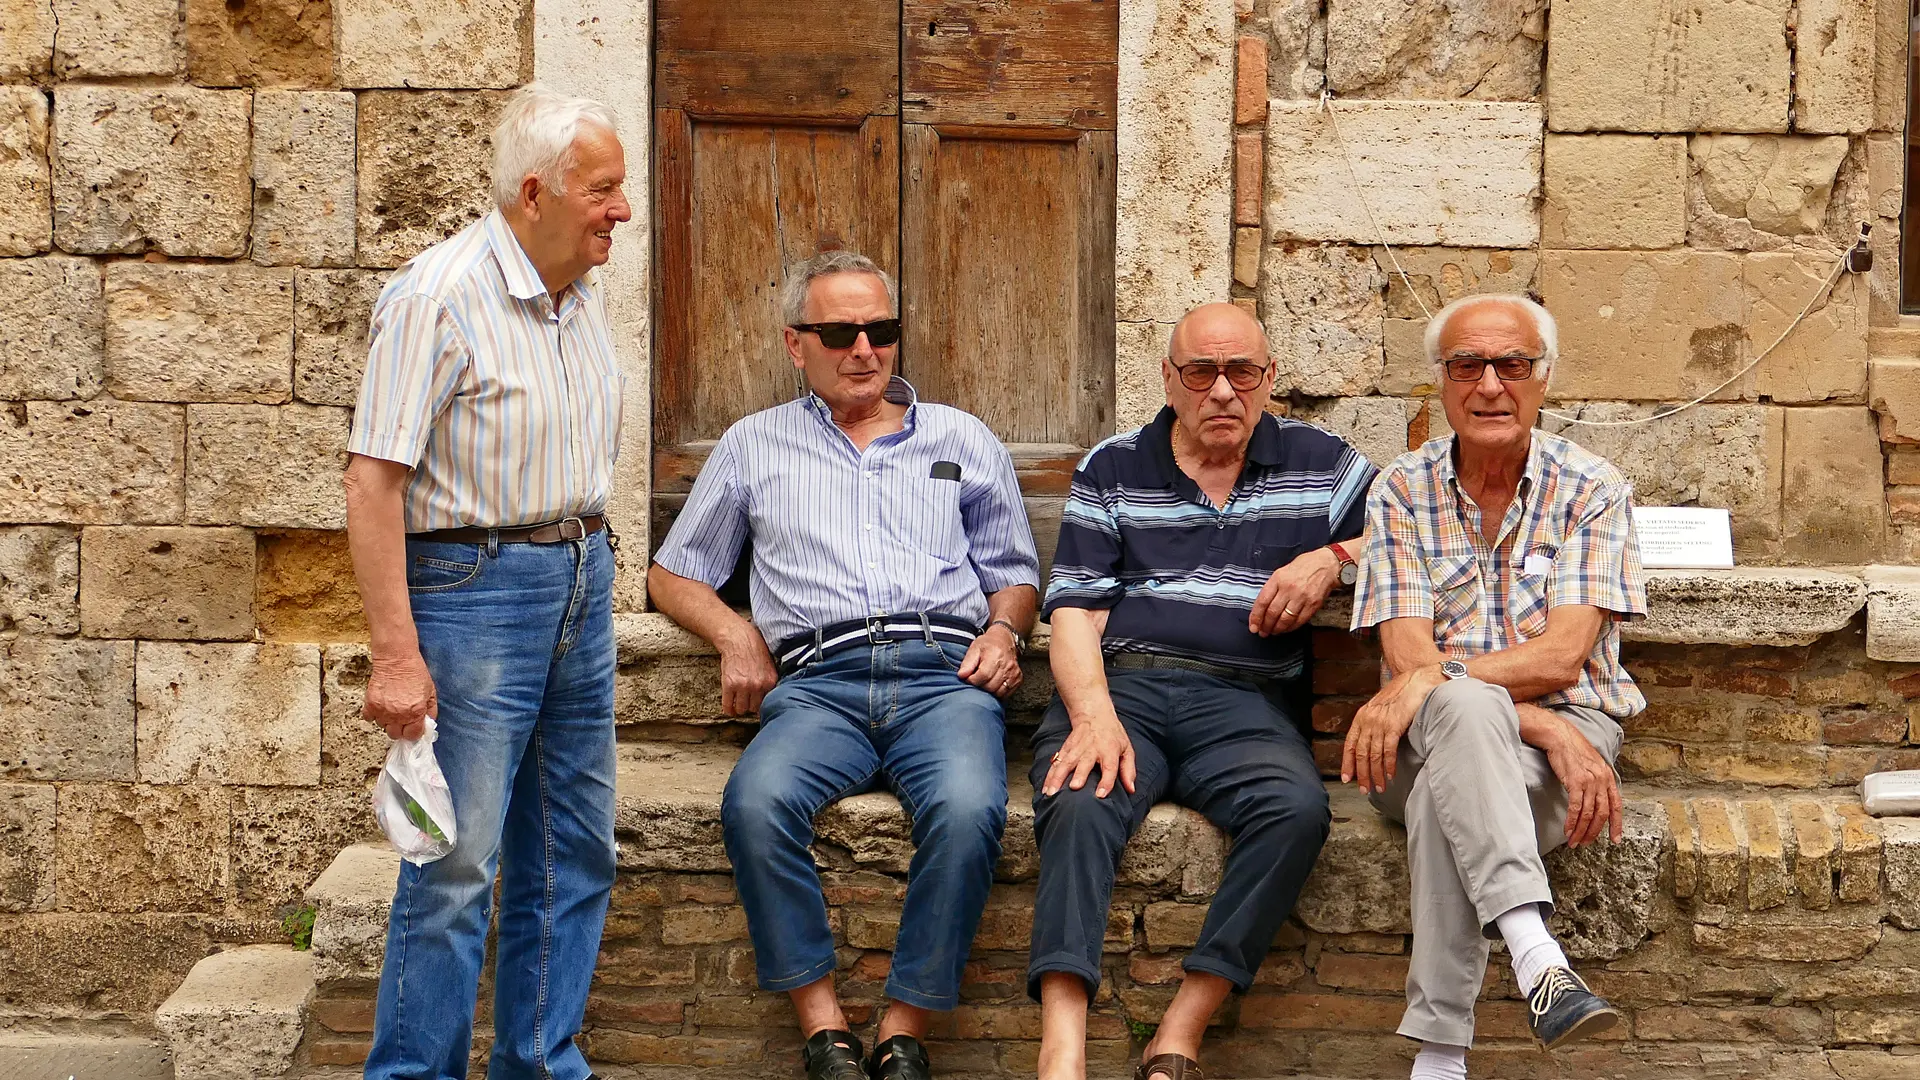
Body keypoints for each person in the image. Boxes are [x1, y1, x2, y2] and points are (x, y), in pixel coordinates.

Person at [648, 250, 1041, 1080]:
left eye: (881, 330)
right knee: (755, 804)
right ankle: (825, 1030)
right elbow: (672, 571)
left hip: (943, 674)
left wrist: (1005, 633)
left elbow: (1014, 574)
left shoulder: (961, 438)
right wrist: (736, 634)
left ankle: (903, 1033)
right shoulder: (754, 445)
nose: (865, 349)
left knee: (972, 810)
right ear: (798, 345)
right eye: (841, 333)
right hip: (818, 684)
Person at [343, 83, 631, 1080]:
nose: (622, 210)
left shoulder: (579, 298)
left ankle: (541, 1065)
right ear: (537, 191)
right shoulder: (438, 295)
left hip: (581, 581)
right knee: (458, 868)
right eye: (604, 191)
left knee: (574, 853)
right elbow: (372, 480)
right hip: (473, 588)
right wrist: (395, 655)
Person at [1032, 302, 1377, 1080]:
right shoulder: (1114, 465)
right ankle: (1063, 1047)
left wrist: (1334, 555)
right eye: (1202, 372)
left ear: (1268, 380)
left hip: (1246, 701)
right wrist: (1091, 716)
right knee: (1078, 800)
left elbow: (1415, 529)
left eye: (1242, 372)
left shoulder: (1324, 462)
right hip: (1126, 684)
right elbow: (1077, 610)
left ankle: (1180, 1033)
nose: (1223, 391)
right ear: (1170, 379)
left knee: (1294, 812)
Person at [1346, 294, 1646, 1080]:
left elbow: (1562, 658)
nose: (1489, 385)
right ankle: (1538, 955)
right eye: (1465, 366)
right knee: (1459, 712)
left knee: (1439, 805)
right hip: (1455, 741)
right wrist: (1542, 726)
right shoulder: (1400, 491)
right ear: (1440, 386)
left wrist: (1517, 710)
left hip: (1562, 734)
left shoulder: (1592, 488)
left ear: (1543, 379)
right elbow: (1409, 656)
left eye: (1511, 365)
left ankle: (1440, 1059)